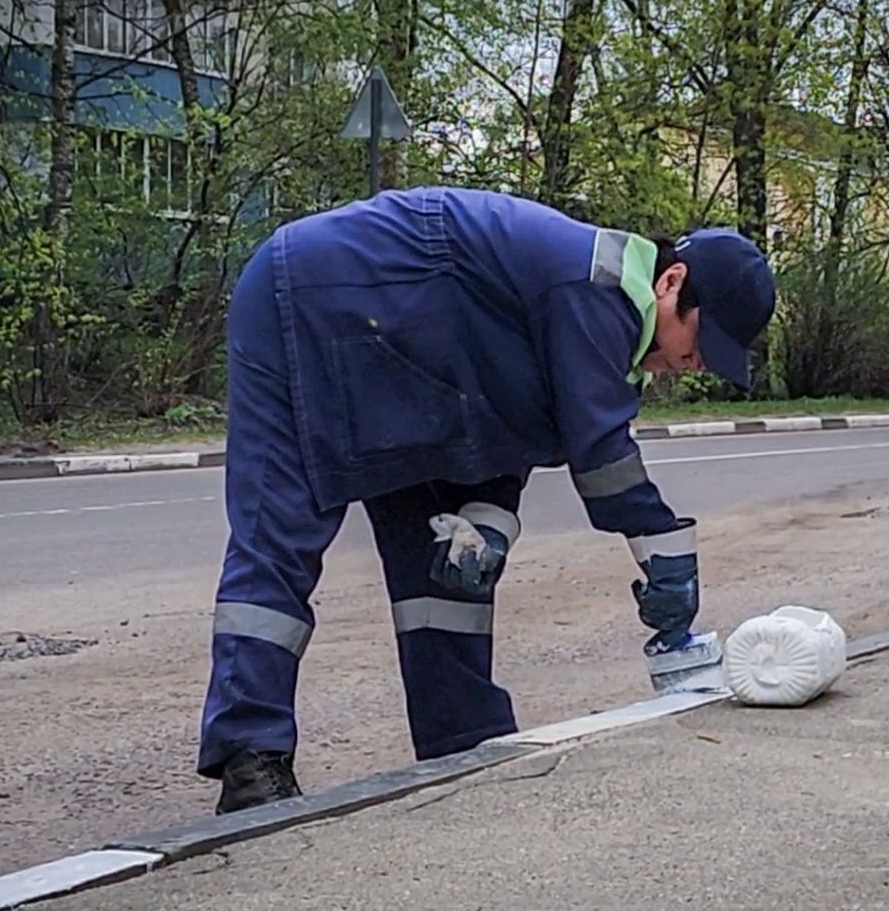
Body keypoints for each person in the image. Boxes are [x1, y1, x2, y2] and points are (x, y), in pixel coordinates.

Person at [201, 186, 777, 814]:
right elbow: (600, 452)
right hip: (306, 297)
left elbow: (506, 430)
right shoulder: (596, 289)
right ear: (671, 281)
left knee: (451, 558)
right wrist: (665, 549)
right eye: (699, 340)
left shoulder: (597, 315)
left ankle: (464, 744)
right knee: (280, 529)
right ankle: (250, 759)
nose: (695, 364)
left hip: (407, 347)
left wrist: (487, 520)